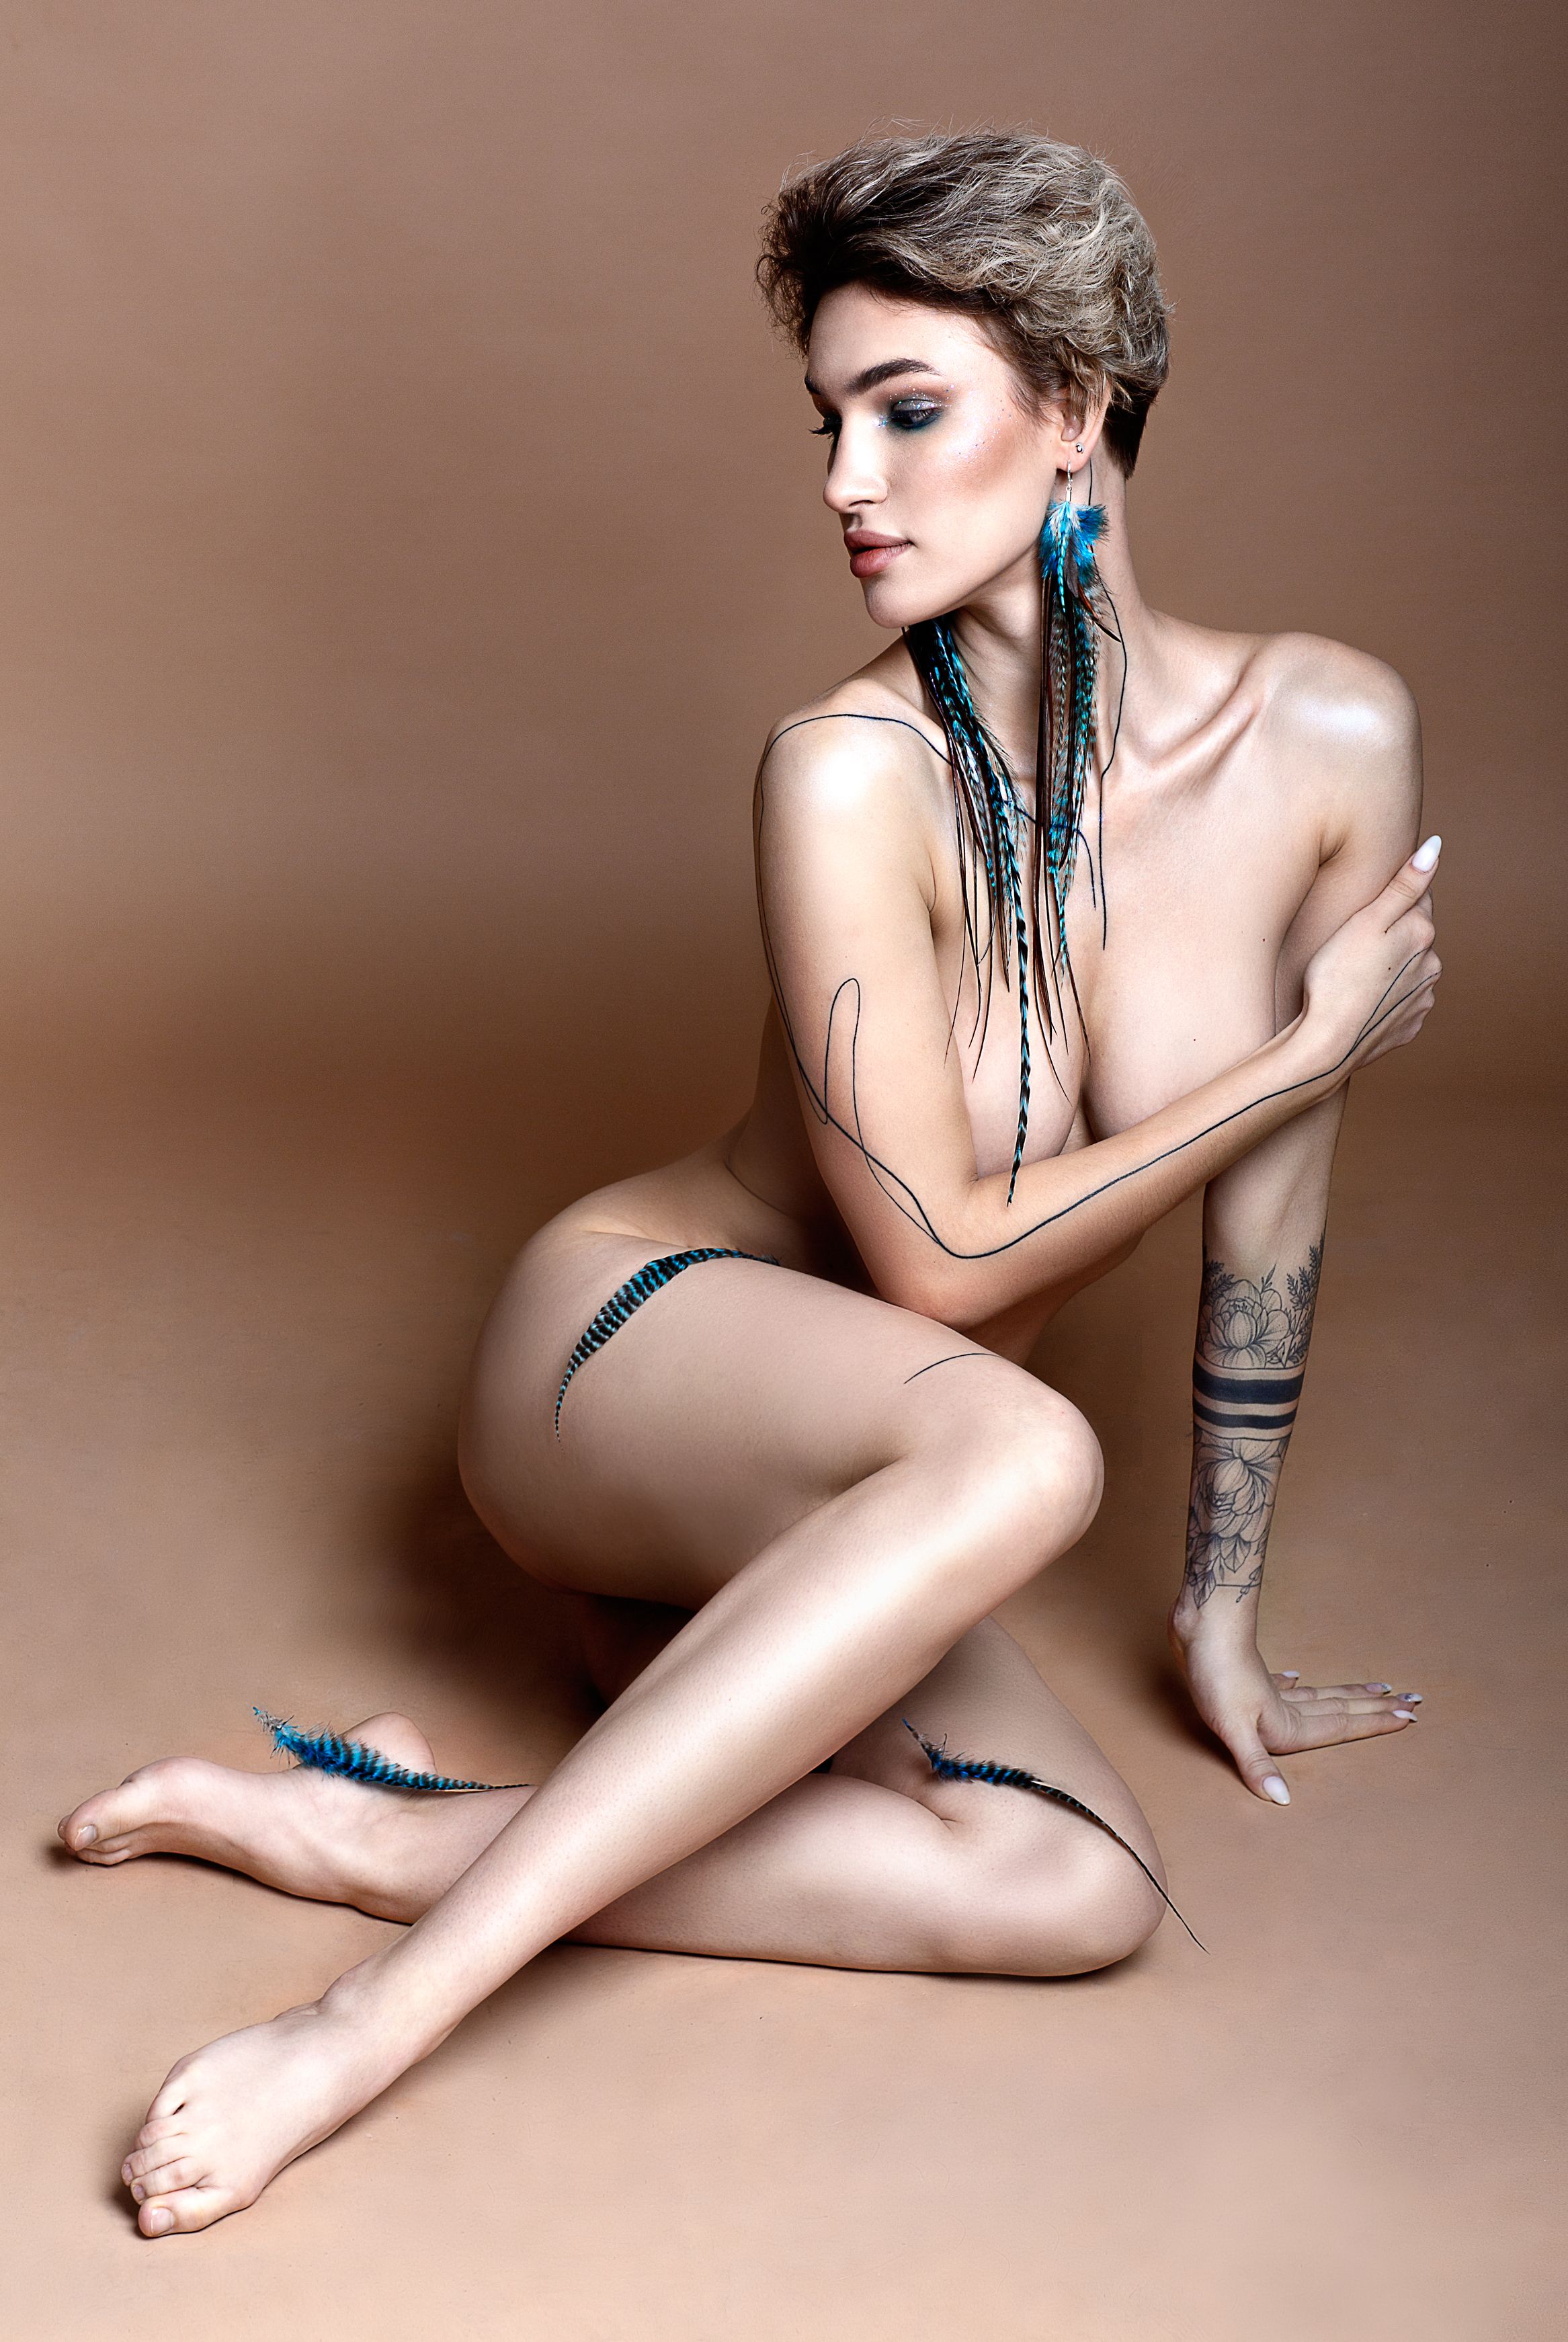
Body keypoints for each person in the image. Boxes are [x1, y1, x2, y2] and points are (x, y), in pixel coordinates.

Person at [59, 130, 1440, 2237]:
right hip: (618, 1365)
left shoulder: (1327, 738)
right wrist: (1298, 1053)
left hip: (872, 1480)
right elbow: (942, 1265)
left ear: (1076, 407)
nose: (846, 482)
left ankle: (385, 1828)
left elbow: (1274, 1205)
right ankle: (364, 2021)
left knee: (1074, 1883)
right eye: (829, 422)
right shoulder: (849, 770)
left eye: (909, 410)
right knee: (1029, 1453)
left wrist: (1222, 1604)